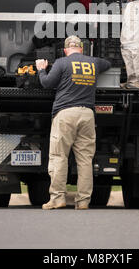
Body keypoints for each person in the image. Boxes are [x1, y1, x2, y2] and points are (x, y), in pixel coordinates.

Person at [35, 35, 111, 210]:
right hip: (87, 115)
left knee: (59, 157)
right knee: (85, 160)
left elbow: (47, 83)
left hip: (66, 114)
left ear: (65, 49)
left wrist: (41, 69)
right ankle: (83, 201)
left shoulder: (62, 63)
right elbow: (107, 64)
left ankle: (57, 198)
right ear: (82, 49)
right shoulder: (94, 63)